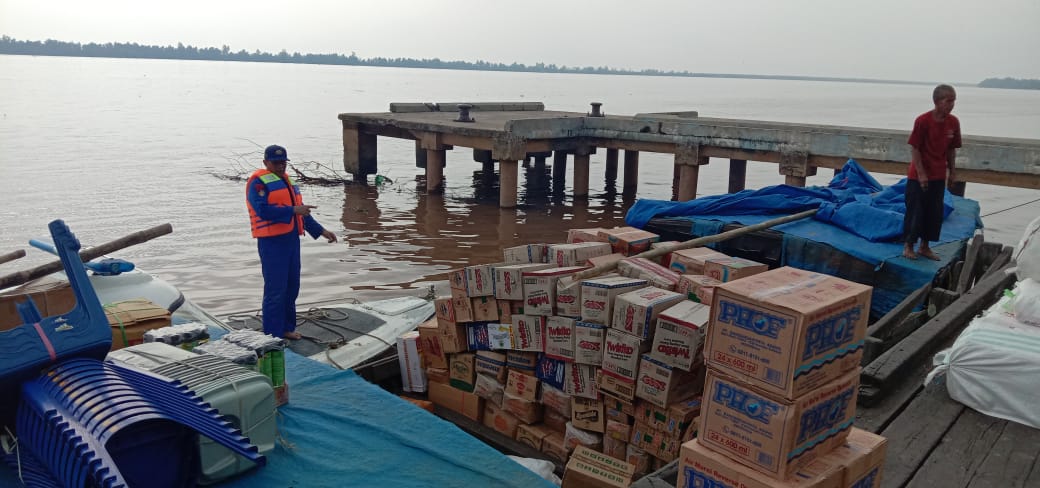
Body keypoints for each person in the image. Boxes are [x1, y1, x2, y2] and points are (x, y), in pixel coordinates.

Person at [246, 144, 337, 339]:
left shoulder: (288, 181)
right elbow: (262, 210)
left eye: (283, 163)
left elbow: (302, 212)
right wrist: (293, 210)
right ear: (265, 162)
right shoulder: (258, 183)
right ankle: (273, 334)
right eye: (276, 163)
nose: (281, 166)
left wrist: (322, 231)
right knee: (275, 289)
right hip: (272, 243)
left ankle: (287, 328)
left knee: (291, 287)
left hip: (291, 240)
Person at [903, 84, 961, 261]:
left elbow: (951, 149)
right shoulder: (923, 121)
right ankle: (908, 246)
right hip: (918, 175)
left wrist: (952, 171)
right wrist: (921, 174)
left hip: (938, 174)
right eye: (948, 101)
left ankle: (925, 246)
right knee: (915, 211)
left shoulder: (953, 122)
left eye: (953, 101)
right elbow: (915, 148)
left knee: (934, 212)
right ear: (937, 101)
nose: (951, 105)